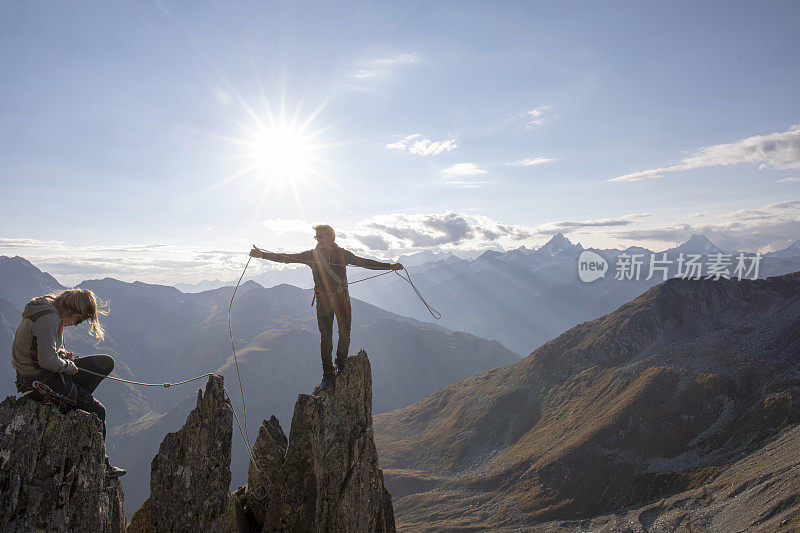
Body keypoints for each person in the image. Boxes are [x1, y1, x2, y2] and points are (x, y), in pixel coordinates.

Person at [251, 224, 403, 389]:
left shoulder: (343, 254)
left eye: (322, 235)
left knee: (344, 334)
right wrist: (262, 255)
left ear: (332, 236)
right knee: (326, 338)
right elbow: (287, 258)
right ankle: (328, 374)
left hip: (338, 300)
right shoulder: (311, 255)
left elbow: (363, 262)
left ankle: (340, 364)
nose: (320, 239)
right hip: (327, 302)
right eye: (317, 237)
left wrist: (389, 266)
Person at [11, 288, 126, 478]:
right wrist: (67, 365)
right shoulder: (48, 318)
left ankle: (75, 401)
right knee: (98, 411)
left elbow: (44, 351)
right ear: (72, 312)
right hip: (40, 383)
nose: (76, 325)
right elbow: (47, 361)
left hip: (43, 376)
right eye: (79, 320)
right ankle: (101, 466)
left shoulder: (48, 310)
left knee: (105, 363)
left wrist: (63, 356)